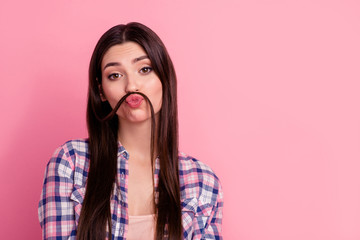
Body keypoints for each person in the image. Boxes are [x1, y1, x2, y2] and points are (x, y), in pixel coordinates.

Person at [38, 22, 223, 240]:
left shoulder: (202, 181)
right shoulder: (71, 161)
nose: (131, 86)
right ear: (101, 91)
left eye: (145, 69)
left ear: (164, 77)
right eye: (115, 75)